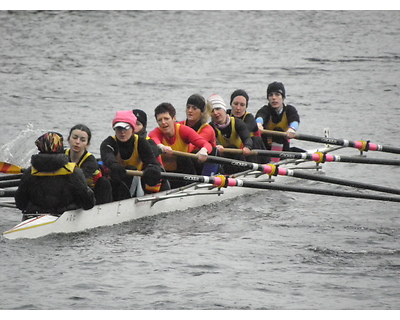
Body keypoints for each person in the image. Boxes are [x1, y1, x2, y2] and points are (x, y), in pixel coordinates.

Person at [15, 132, 95, 219]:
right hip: (64, 219)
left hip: (34, 216)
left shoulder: (30, 172)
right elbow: (88, 204)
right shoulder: (73, 172)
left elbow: (20, 204)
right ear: (60, 148)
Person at [100, 110, 162, 201]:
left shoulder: (141, 142)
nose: (122, 132)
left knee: (132, 169)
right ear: (114, 129)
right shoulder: (108, 143)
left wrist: (152, 169)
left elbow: (152, 161)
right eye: (119, 128)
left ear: (132, 129)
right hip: (115, 182)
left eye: (126, 128)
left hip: (136, 183)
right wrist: (114, 165)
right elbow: (107, 156)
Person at [148, 102, 213, 189]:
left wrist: (204, 150)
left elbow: (206, 144)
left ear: (174, 118)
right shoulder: (155, 133)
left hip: (185, 173)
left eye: (166, 119)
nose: (163, 122)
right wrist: (161, 147)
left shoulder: (183, 130)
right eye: (160, 120)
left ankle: (193, 186)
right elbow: (154, 140)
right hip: (166, 175)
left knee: (183, 158)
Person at [208, 94, 257, 174]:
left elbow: (247, 138)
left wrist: (247, 147)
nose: (215, 113)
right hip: (224, 160)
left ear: (224, 109)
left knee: (254, 141)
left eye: (218, 109)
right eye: (212, 111)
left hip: (240, 158)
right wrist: (217, 145)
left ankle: (252, 171)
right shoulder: (210, 127)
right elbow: (211, 140)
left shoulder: (237, 123)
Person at [66, 124, 113, 204]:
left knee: (104, 182)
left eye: (82, 140)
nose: (77, 142)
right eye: (74, 138)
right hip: (70, 191)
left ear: (87, 144)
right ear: (68, 139)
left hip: (92, 195)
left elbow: (77, 181)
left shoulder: (91, 161)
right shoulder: (62, 155)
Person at [255, 81, 300, 158]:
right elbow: (260, 117)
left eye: (277, 94)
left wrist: (292, 129)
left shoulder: (289, 110)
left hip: (284, 150)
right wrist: (258, 124)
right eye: (271, 95)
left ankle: (277, 161)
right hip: (266, 150)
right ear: (268, 98)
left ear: (283, 97)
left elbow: (295, 120)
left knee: (279, 131)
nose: (274, 98)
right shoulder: (265, 110)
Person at [177, 94, 218, 175]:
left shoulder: (207, 129)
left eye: (194, 108)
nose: (190, 110)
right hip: (188, 163)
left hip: (205, 166)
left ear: (202, 112)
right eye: (188, 107)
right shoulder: (180, 125)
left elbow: (191, 147)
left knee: (184, 158)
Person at [228, 89, 269, 163]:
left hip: (254, 155)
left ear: (246, 106)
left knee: (255, 140)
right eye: (235, 104)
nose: (238, 108)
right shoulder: (225, 115)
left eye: (242, 105)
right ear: (231, 104)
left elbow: (242, 130)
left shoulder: (250, 118)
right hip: (237, 152)